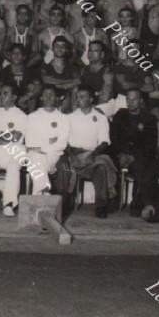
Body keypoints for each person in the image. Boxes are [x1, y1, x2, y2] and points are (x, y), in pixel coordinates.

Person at [56, 85, 118, 218]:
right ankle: (64, 204)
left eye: (83, 97)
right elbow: (64, 141)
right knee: (63, 166)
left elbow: (104, 142)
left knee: (101, 167)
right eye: (78, 97)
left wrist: (92, 155)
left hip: (92, 155)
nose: (79, 99)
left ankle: (101, 206)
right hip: (72, 153)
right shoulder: (70, 117)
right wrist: (72, 155)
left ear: (91, 99)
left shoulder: (100, 118)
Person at [0, 84, 29, 217]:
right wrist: (5, 136)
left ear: (14, 97)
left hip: (14, 150)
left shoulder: (21, 115)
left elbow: (16, 137)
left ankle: (9, 204)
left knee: (14, 167)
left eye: (5, 93)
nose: (1, 96)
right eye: (1, 93)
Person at [110, 88, 158, 215]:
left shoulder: (149, 119)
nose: (130, 102)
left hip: (138, 156)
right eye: (128, 99)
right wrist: (121, 153)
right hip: (120, 153)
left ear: (141, 101)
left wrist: (132, 156)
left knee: (143, 165)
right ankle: (113, 200)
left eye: (134, 99)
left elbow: (150, 144)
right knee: (108, 161)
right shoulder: (120, 115)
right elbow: (114, 137)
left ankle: (136, 203)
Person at [24, 84, 70, 195]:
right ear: (41, 98)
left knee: (36, 159)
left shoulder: (63, 118)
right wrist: (48, 141)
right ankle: (43, 192)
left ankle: (40, 193)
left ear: (56, 98)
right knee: (36, 157)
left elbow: (62, 143)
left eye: (52, 95)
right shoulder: (32, 117)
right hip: (35, 154)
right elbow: (29, 142)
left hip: (54, 155)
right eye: (46, 95)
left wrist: (41, 144)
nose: (49, 97)